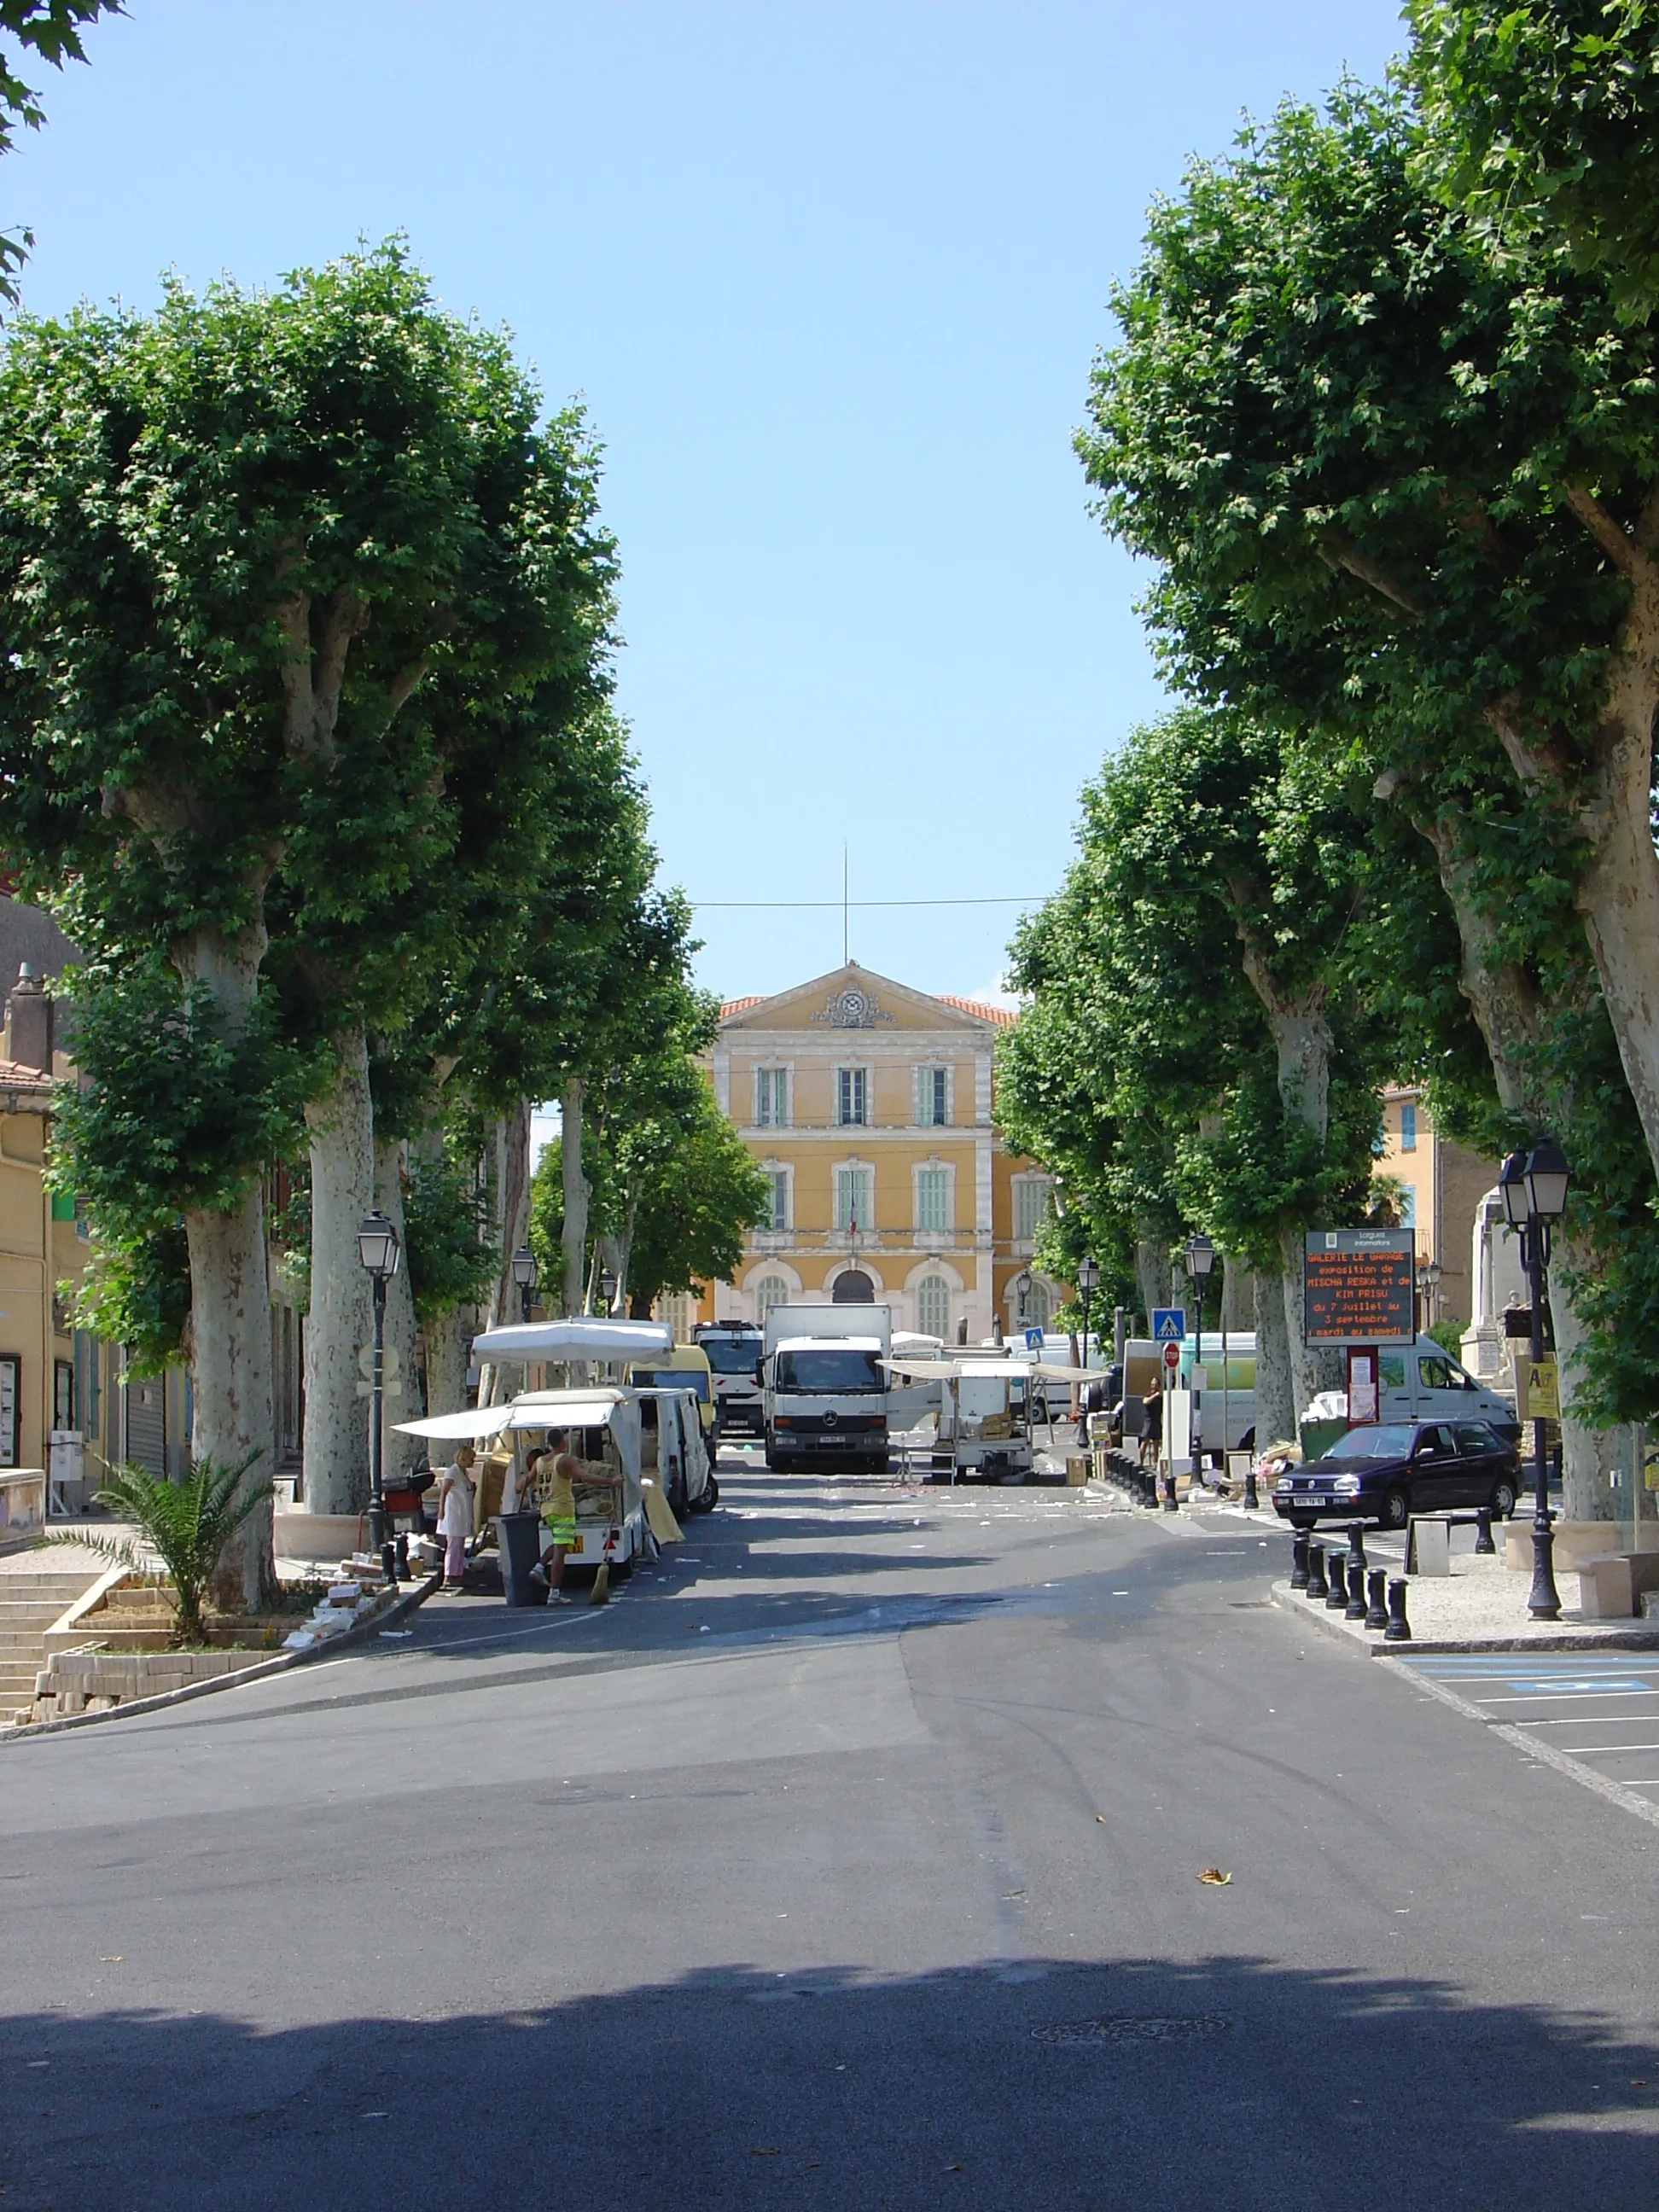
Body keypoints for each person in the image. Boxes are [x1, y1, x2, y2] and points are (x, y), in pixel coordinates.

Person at [535, 1429, 621, 1604]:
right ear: (562, 1442)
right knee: (561, 1551)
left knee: (560, 1543)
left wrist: (520, 1486)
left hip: (547, 1510)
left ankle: (539, 1567)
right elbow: (585, 1476)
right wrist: (611, 1482)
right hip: (562, 1510)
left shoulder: (539, 1462)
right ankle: (554, 1593)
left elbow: (528, 1479)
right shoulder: (565, 1460)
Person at [435, 1446, 476, 1590]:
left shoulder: (463, 1473)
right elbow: (444, 1492)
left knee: (460, 1545)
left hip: (463, 1513)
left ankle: (457, 1574)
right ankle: (449, 1575)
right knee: (453, 1545)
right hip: (454, 1514)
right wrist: (441, 1510)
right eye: (471, 1459)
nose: (473, 1462)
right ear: (463, 1458)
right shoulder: (452, 1472)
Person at [1139, 1372, 1163, 1470]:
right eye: (1153, 1384)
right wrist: (1154, 1396)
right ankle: (1141, 1461)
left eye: (1156, 1384)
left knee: (1156, 1444)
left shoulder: (1161, 1398)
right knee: (1145, 1442)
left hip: (1156, 1421)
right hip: (1148, 1420)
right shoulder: (1148, 1394)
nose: (1154, 1386)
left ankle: (1155, 1463)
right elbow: (1145, 1402)